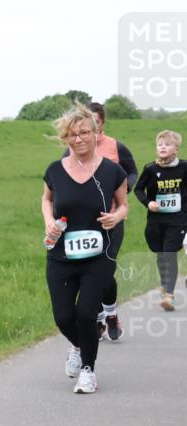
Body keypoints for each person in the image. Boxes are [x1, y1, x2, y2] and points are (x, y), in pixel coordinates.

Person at [42, 104, 129, 394]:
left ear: (95, 133)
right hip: (61, 255)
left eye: (84, 133)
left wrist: (115, 217)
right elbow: (46, 200)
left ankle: (88, 371)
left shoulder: (111, 171)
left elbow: (123, 205)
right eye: (72, 135)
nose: (79, 139)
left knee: (86, 313)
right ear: (66, 138)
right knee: (64, 316)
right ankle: (78, 345)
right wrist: (48, 223)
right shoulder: (55, 170)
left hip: (97, 256)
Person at [62, 102, 137, 341]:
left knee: (105, 269)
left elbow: (132, 171)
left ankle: (110, 314)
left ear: (101, 123)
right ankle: (96, 319)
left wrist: (122, 189)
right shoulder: (72, 149)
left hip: (111, 219)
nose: (86, 127)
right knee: (86, 269)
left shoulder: (116, 146)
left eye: (92, 121)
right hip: (82, 222)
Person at [134, 130, 187, 311]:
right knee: (160, 254)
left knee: (169, 253)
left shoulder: (184, 167)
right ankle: (165, 283)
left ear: (176, 149)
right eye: (160, 144)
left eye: (167, 144)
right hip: (156, 220)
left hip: (178, 219)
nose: (163, 147)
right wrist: (149, 203)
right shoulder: (150, 169)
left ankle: (169, 295)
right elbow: (138, 190)